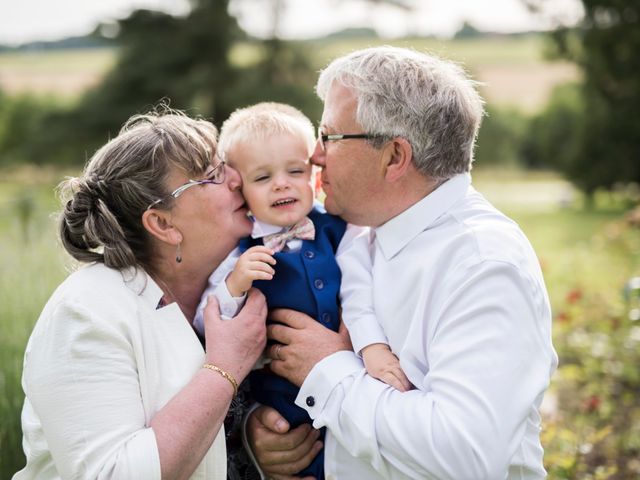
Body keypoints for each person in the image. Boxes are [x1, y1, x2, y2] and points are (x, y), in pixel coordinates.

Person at [246, 46, 559, 479]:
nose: (314, 157)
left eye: (329, 137)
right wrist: (271, 434)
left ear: (394, 156)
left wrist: (326, 370)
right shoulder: (357, 233)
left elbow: (464, 455)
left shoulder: (483, 264)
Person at [13, 109, 268, 480]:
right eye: (212, 175)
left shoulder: (238, 281)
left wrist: (256, 441)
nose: (235, 178)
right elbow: (112, 474)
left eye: (225, 165)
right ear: (163, 224)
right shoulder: (85, 313)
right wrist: (225, 367)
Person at [192, 102, 410, 479]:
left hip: (349, 378)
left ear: (314, 174)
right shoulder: (239, 252)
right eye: (263, 178)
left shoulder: (339, 229)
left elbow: (360, 295)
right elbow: (205, 321)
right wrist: (236, 285)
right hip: (280, 397)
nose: (282, 183)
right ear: (240, 188)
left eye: (295, 170)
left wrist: (371, 347)